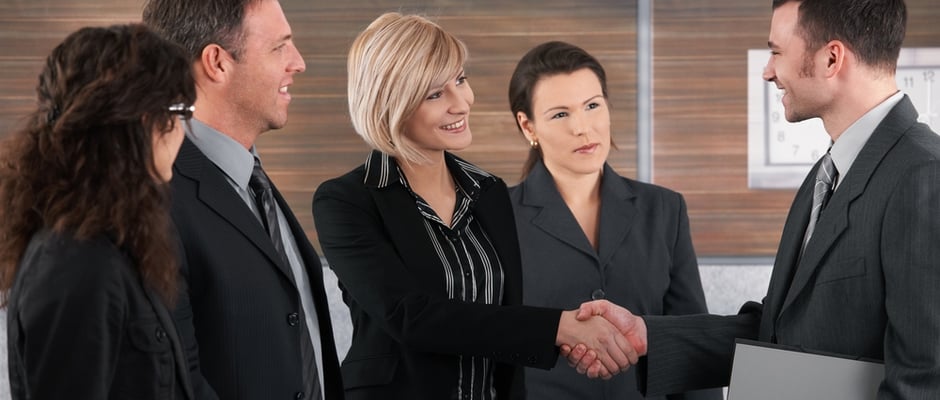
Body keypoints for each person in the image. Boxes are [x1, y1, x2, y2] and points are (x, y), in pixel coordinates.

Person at [571, 0, 940, 398]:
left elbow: (925, 380)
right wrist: (646, 335)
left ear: (832, 58)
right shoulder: (828, 173)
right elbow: (781, 329)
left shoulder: (923, 176)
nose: (768, 72)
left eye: (777, 52)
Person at [312, 12, 639, 399]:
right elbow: (409, 315)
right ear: (390, 104)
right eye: (436, 94)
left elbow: (505, 317)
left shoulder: (489, 191)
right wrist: (559, 328)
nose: (462, 102)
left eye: (460, 80)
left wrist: (571, 336)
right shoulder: (346, 201)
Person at [142, 0, 343, 399]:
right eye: (279, 47)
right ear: (217, 62)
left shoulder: (253, 181)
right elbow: (171, 381)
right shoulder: (155, 201)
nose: (298, 63)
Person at [506, 41, 722, 400]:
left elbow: (690, 341)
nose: (582, 127)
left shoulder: (664, 209)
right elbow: (489, 342)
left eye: (592, 106)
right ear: (528, 126)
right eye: (560, 114)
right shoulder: (499, 216)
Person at [0, 24, 196, 399]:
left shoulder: (112, 246)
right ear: (139, 122)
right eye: (177, 112)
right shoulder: (76, 264)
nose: (181, 131)